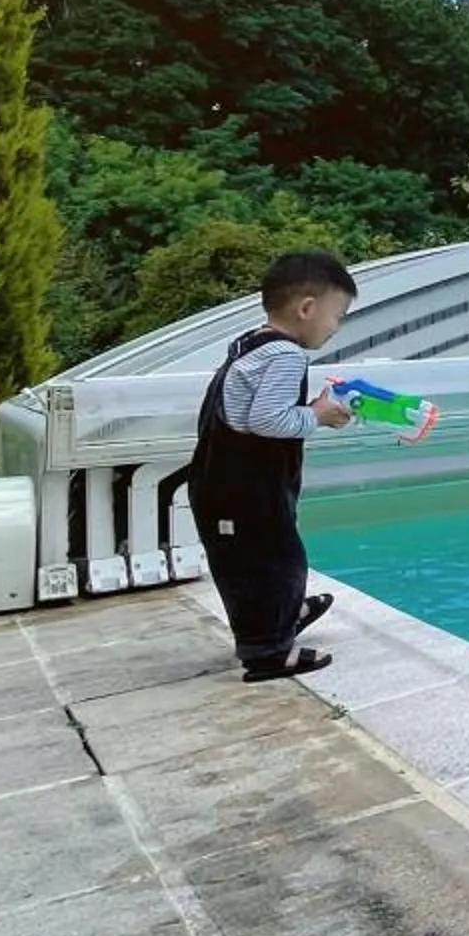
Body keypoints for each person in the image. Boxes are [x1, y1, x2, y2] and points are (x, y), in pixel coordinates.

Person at [184, 249, 357, 681]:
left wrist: (310, 408)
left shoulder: (251, 344)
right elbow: (267, 419)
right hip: (244, 490)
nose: (336, 327)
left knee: (268, 558)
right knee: (269, 562)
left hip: (223, 484)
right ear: (307, 308)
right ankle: (267, 650)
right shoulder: (285, 355)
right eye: (338, 316)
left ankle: (285, 614)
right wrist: (318, 415)